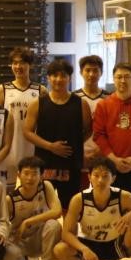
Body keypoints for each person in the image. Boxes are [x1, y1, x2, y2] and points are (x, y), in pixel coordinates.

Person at [23, 59, 92, 210]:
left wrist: (75, 143)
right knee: (42, 206)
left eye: (63, 75)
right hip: (45, 163)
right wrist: (50, 146)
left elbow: (88, 129)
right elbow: (27, 132)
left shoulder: (81, 103)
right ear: (48, 77)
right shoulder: (38, 103)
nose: (59, 79)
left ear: (69, 78)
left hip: (71, 163)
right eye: (55, 75)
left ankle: (67, 226)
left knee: (70, 206)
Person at [91, 63, 131, 214]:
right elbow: (99, 135)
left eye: (127, 77)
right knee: (111, 215)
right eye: (119, 77)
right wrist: (114, 159)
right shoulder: (103, 105)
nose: (123, 80)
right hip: (111, 169)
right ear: (113, 79)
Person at [3, 156, 63, 260]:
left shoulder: (46, 187)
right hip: (19, 240)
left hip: (39, 239)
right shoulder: (10, 199)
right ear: (18, 175)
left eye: (34, 173)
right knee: (3, 246)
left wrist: (28, 221)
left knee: (54, 225)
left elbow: (57, 211)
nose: (30, 178)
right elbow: (2, 226)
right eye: (26, 173)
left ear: (41, 176)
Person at [0, 46, 44, 185]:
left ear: (30, 65)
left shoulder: (41, 90)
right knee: (8, 189)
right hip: (9, 147)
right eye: (15, 63)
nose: (18, 66)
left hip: (32, 147)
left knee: (30, 187)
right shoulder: (3, 90)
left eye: (22, 63)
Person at [75, 55, 108, 186]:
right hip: (80, 155)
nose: (91, 74)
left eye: (95, 70)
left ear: (101, 73)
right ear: (81, 72)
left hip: (103, 154)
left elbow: (112, 130)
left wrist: (101, 151)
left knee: (101, 193)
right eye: (87, 70)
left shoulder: (109, 98)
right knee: (80, 195)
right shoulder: (73, 98)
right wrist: (78, 153)